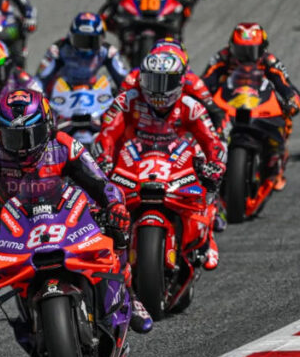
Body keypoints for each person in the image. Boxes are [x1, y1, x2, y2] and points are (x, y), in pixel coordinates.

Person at [0, 89, 150, 357]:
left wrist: (114, 205)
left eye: (30, 135)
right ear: (0, 132)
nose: (23, 147)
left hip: (70, 221)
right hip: (12, 234)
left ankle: (130, 296)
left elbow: (99, 181)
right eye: (14, 137)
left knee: (117, 233)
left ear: (48, 125)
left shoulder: (65, 145)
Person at [95, 50, 227, 270]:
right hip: (135, 159)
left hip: (179, 160)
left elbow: (212, 140)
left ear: (180, 81)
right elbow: (106, 133)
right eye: (152, 81)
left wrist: (216, 165)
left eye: (166, 82)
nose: (158, 89)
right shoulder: (127, 100)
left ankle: (207, 235)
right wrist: (104, 159)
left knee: (210, 180)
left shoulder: (191, 106)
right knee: (99, 196)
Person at [202, 23, 300, 190]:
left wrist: (291, 98)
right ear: (232, 47)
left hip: (259, 104)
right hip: (228, 103)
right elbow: (205, 80)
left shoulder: (270, 61)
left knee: (286, 114)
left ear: (262, 49)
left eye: (252, 51)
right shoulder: (222, 57)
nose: (246, 56)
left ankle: (278, 156)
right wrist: (201, 98)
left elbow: (284, 84)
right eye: (241, 51)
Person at [36, 12, 129, 93]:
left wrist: (124, 95)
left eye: (92, 41)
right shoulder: (57, 49)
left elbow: (124, 79)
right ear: (70, 37)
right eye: (80, 40)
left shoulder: (109, 52)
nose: (86, 48)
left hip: (93, 93)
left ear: (102, 39)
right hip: (61, 93)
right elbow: (40, 79)